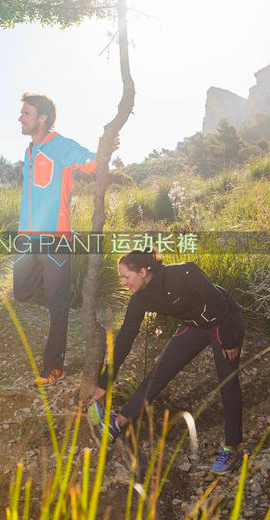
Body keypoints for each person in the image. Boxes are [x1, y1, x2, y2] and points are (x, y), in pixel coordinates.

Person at [87, 249, 245, 474]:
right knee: (160, 372)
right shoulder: (140, 299)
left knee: (227, 382)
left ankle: (232, 449)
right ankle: (118, 422)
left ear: (143, 271)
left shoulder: (184, 272)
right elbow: (124, 340)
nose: (123, 282)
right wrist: (104, 383)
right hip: (193, 325)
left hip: (223, 321)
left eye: (126, 276)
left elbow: (217, 300)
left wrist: (229, 340)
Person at [13, 93, 106, 387]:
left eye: (26, 113)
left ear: (42, 118)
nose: (20, 118)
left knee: (57, 306)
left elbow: (91, 162)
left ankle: (54, 368)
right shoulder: (30, 151)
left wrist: (103, 150)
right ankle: (57, 273)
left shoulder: (60, 146)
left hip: (54, 240)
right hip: (28, 241)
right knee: (20, 291)